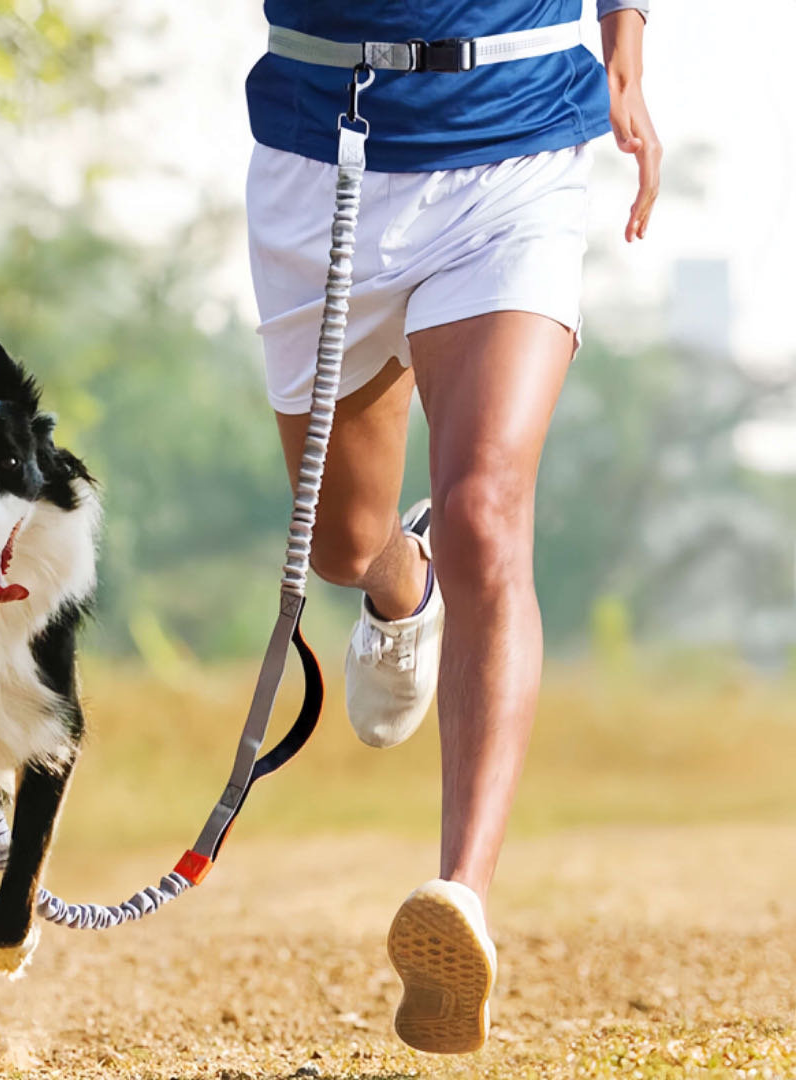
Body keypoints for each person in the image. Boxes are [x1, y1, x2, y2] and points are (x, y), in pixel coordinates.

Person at [244, 0, 660, 1056]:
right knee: (342, 542)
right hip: (320, 141)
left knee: (484, 510)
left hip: (517, 139)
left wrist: (628, 40)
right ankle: (401, 584)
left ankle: (459, 896)